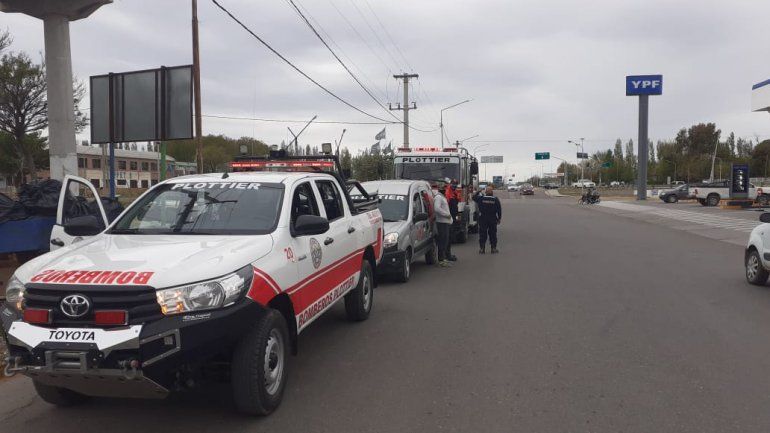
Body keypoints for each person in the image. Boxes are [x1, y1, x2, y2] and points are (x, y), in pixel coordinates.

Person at [474, 184, 502, 254]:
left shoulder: (481, 198)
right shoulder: (495, 199)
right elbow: (499, 210)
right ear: (492, 192)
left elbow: (473, 197)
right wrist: (499, 218)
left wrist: (478, 191)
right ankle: (493, 248)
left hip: (483, 218)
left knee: (482, 233)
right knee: (493, 234)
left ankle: (482, 249)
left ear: (485, 192)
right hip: (492, 218)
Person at [432, 181, 453, 267]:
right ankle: (441, 260)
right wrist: (446, 215)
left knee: (445, 241)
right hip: (442, 222)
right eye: (444, 187)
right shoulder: (438, 197)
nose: (445, 189)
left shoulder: (442, 197)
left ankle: (443, 259)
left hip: (445, 222)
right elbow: (437, 208)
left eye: (445, 187)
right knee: (442, 241)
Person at [443, 178, 459, 261]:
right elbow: (446, 206)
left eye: (455, 184)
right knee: (448, 237)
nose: (454, 186)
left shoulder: (454, 192)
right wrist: (448, 216)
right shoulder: (448, 192)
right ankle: (447, 255)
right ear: (450, 184)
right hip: (449, 218)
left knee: (451, 236)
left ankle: (448, 254)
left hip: (453, 217)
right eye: (453, 184)